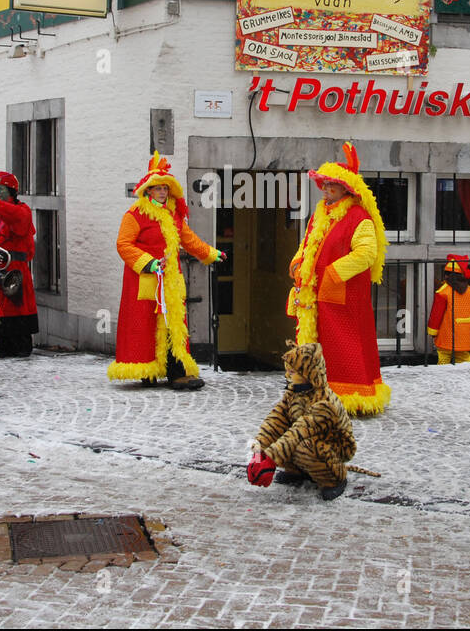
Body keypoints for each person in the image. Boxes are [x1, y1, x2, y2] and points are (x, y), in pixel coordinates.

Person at [287, 142, 389, 416]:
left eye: (332, 184)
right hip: (314, 295)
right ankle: (313, 391)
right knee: (316, 343)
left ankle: (351, 396)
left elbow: (367, 253)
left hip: (343, 296)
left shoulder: (359, 217)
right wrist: (297, 264)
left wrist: (332, 273)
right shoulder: (320, 215)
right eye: (325, 183)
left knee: (345, 347)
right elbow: (307, 245)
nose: (326, 188)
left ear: (347, 188)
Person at [108, 152, 224, 389]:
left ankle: (176, 371)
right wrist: (149, 263)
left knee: (173, 326)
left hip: (170, 281)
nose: (162, 192)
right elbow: (123, 245)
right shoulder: (134, 215)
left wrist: (211, 254)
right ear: (148, 191)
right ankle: (148, 371)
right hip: (145, 279)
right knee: (146, 325)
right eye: (157, 188)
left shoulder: (174, 216)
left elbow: (190, 241)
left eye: (165, 188)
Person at [247, 342, 357, 501]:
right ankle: (298, 471)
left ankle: (335, 477)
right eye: (288, 371)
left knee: (302, 447)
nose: (288, 375)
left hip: (333, 445)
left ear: (308, 372)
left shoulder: (325, 401)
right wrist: (259, 452)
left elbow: (301, 430)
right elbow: (275, 421)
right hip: (304, 438)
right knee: (286, 438)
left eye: (293, 372)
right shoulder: (293, 394)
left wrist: (271, 459)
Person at [0, 170, 38, 358]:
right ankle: (3, 343)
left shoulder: (22, 210)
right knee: (2, 308)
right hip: (1, 267)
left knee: (16, 306)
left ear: (12, 191)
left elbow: (17, 218)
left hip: (15, 268)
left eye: (2, 189)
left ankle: (20, 345)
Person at [427, 254, 470, 364]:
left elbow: (437, 314)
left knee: (444, 358)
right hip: (465, 334)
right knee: (464, 360)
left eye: (446, 274)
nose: (445, 276)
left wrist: (433, 331)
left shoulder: (444, 291)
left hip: (447, 333)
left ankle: (442, 379)